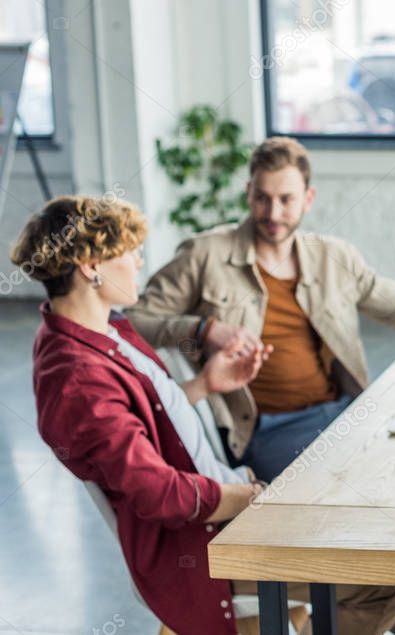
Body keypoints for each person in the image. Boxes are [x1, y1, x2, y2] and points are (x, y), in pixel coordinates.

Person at [125, 136, 395, 634]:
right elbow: (136, 318)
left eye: (286, 199)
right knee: (369, 496)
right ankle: (382, 603)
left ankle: (384, 603)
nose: (273, 212)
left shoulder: (332, 256)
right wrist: (202, 329)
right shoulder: (206, 254)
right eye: (262, 197)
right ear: (248, 193)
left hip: (340, 412)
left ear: (307, 199)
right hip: (266, 429)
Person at [13, 195, 266, 634]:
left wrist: (204, 385)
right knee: (371, 585)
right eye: (129, 251)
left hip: (223, 501)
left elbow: (147, 419)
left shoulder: (104, 329)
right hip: (201, 541)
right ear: (91, 265)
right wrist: (248, 497)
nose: (139, 260)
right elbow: (159, 493)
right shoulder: (77, 378)